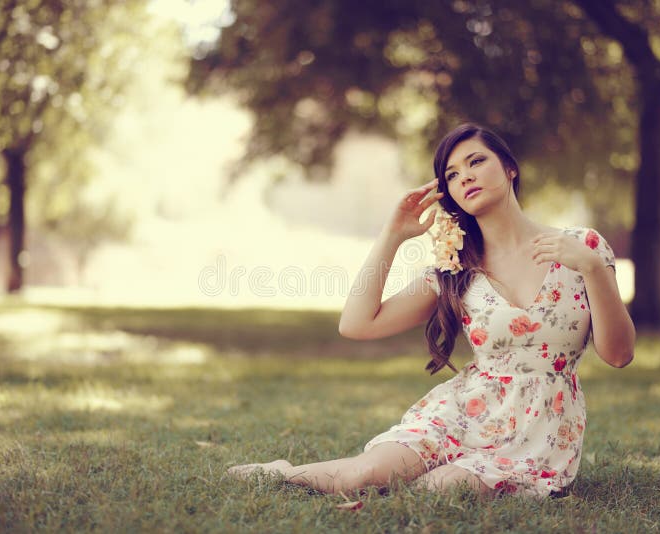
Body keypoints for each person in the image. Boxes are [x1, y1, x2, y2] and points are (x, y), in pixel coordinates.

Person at [227, 123, 636, 499]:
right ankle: (281, 472)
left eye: (476, 162)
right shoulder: (455, 269)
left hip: (538, 430)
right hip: (462, 412)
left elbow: (618, 355)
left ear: (510, 168)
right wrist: (394, 235)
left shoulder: (583, 249)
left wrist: (592, 268)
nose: (466, 177)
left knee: (439, 489)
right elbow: (355, 324)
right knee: (365, 475)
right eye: (453, 175)